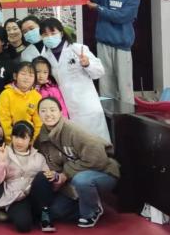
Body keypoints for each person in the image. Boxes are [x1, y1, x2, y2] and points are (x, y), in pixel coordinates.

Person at [37, 97, 120, 228]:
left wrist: (66, 174)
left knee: (81, 180)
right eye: (43, 111)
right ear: (38, 114)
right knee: (56, 211)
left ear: (61, 112)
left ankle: (92, 211)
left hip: (103, 172)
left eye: (52, 110)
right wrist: (57, 178)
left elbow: (98, 157)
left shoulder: (73, 130)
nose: (48, 114)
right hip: (72, 180)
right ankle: (86, 202)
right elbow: (52, 166)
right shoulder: (42, 139)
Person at [38, 18, 111, 142]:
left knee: (96, 141)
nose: (49, 37)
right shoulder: (44, 56)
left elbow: (99, 72)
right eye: (45, 34)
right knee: (75, 142)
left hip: (86, 105)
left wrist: (87, 64)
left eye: (53, 33)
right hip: (65, 107)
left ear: (61, 33)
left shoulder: (77, 49)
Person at [0, 121, 57, 233]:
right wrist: (0, 160)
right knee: (23, 226)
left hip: (36, 196)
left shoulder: (39, 157)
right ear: (11, 137)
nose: (19, 142)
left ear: (30, 140)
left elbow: (47, 181)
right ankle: (29, 215)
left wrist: (54, 175)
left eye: (24, 138)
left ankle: (44, 214)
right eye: (16, 137)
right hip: (16, 197)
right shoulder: (4, 153)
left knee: (43, 175)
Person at [87, 0, 140, 105]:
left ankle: (128, 113)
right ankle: (108, 112)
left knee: (124, 84)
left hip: (122, 46)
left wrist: (99, 8)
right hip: (103, 44)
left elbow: (121, 17)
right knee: (105, 83)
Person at [0, 62, 42, 142]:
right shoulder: (6, 94)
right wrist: (12, 141)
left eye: (31, 75)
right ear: (15, 76)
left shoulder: (37, 97)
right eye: (23, 74)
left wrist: (32, 142)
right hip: (11, 141)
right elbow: (5, 121)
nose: (27, 78)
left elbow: (39, 124)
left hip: (30, 141)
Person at [34, 57, 69, 121]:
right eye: (38, 72)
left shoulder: (52, 88)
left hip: (54, 121)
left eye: (45, 72)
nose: (41, 75)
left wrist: (63, 121)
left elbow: (61, 106)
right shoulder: (29, 88)